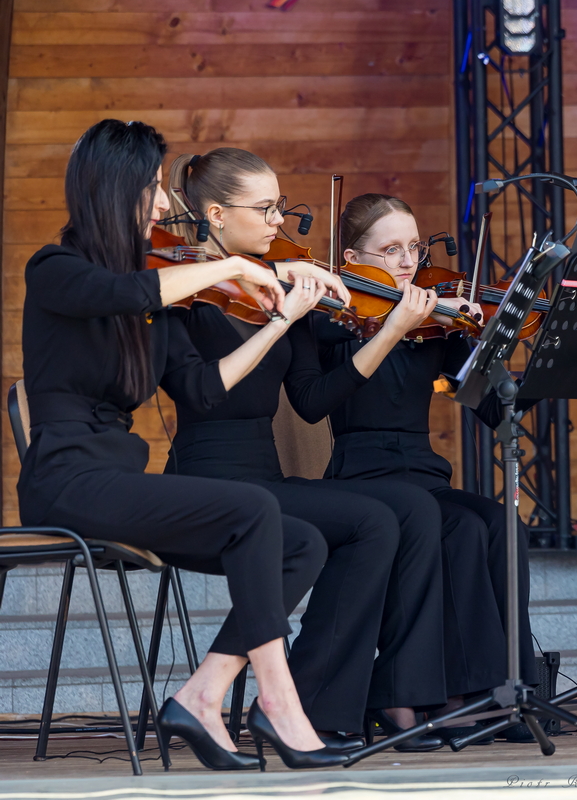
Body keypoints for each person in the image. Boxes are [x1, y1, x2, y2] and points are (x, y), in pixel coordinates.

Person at [18, 119, 345, 770]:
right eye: (154, 188)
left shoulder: (157, 302)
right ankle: (281, 702)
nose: (167, 203)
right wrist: (224, 264)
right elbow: (117, 291)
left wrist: (280, 321)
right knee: (255, 509)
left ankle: (205, 692)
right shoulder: (57, 269)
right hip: (65, 481)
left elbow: (204, 389)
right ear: (114, 192)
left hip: (120, 480)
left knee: (301, 540)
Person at [161, 150, 450, 751]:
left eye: (281, 207)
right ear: (215, 214)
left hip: (265, 477)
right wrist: (277, 320)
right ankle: (299, 705)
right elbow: (202, 395)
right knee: (366, 521)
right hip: (206, 479)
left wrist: (386, 328)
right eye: (266, 208)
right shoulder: (183, 294)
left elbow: (315, 400)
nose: (280, 222)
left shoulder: (276, 284)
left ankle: (319, 706)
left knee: (396, 512)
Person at [317, 193, 536, 741]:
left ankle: (496, 689)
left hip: (422, 474)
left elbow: (496, 407)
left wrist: (490, 343)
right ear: (352, 258)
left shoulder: (434, 320)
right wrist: (392, 324)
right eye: (390, 250)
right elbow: (320, 397)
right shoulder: (336, 318)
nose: (408, 261)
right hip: (362, 476)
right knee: (457, 525)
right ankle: (420, 696)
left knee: (498, 521)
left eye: (413, 246)